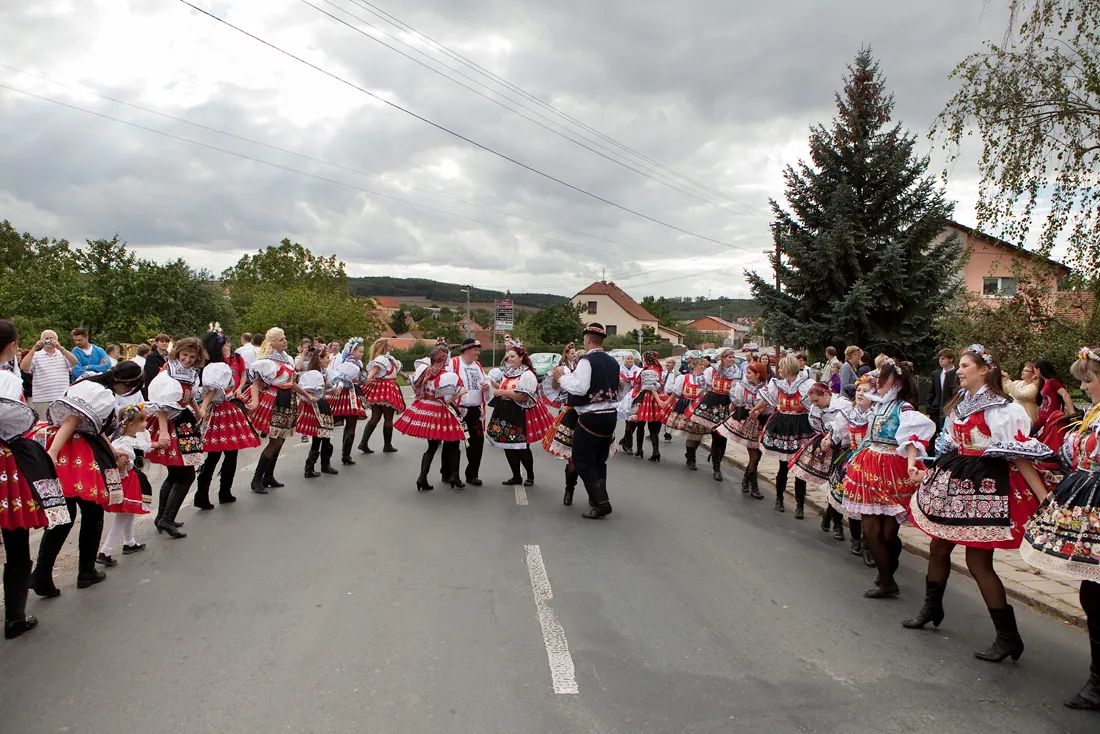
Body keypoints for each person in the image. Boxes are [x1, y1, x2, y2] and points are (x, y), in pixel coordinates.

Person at [905, 344, 1051, 663]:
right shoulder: (962, 403)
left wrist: (1043, 497)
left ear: (984, 370)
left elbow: (1018, 455)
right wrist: (928, 473)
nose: (958, 371)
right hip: (957, 477)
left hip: (985, 485)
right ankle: (931, 607)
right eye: (958, 365)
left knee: (978, 561)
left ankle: (1008, 637)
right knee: (938, 546)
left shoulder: (1001, 408)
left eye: (965, 366)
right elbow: (952, 446)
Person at [1021, 345, 1100, 710]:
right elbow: (1073, 455)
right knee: (1091, 593)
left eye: (1090, 379)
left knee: (1094, 594)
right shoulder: (1094, 414)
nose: (1082, 387)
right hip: (1085, 505)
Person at [29, 361, 144, 597]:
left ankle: (42, 574)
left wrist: (112, 450)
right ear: (127, 384)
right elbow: (73, 421)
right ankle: (85, 570)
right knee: (91, 512)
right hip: (76, 452)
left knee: (63, 514)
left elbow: (94, 428)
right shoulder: (102, 393)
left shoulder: (89, 381)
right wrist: (53, 453)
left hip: (67, 445)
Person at [840, 358, 934, 598]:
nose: (879, 383)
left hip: (893, 469)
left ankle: (887, 572)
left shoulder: (904, 408)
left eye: (884, 378)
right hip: (869, 467)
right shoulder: (877, 406)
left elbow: (912, 440)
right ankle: (887, 580)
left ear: (898, 383)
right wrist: (853, 457)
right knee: (871, 531)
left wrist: (911, 464)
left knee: (889, 534)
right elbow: (867, 436)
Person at [0, 321, 70, 639]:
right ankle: (15, 617)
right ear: (12, 345)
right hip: (6, 459)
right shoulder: (6, 379)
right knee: (15, 535)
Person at [552, 323, 622, 519]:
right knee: (599, 460)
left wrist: (561, 378)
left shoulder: (587, 360)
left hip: (592, 416)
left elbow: (580, 388)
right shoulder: (613, 361)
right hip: (610, 416)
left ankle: (601, 503)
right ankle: (599, 499)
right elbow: (618, 388)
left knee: (581, 459)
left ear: (588, 339)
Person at [145, 337, 207, 539]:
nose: (188, 360)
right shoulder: (168, 374)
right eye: (185, 355)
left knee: (176, 474)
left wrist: (197, 410)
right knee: (185, 475)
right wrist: (163, 431)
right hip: (173, 424)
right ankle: (167, 519)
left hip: (184, 422)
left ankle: (162, 517)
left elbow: (188, 396)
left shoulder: (189, 373)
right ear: (177, 353)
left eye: (192, 357)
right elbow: (162, 406)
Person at [195, 329, 260, 507]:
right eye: (225, 345)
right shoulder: (220, 367)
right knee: (229, 453)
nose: (228, 347)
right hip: (224, 410)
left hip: (216, 411)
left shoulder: (209, 366)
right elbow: (214, 389)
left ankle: (203, 494)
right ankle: (223, 491)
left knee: (214, 454)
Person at [247, 327, 315, 494]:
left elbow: (291, 383)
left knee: (281, 439)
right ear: (272, 344)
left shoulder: (286, 359)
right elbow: (255, 383)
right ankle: (256, 479)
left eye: (284, 338)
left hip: (288, 399)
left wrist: (307, 395)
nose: (285, 341)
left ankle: (268, 476)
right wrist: (255, 401)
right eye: (281, 339)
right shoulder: (267, 362)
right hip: (276, 400)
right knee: (275, 440)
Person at [394, 343, 467, 491]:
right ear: (444, 359)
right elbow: (449, 398)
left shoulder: (425, 371)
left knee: (431, 447)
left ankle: (422, 478)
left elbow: (416, 387)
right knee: (454, 443)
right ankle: (455, 476)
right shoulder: (446, 375)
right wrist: (459, 394)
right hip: (441, 410)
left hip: (426, 408)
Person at [750, 355, 815, 518]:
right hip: (784, 425)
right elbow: (768, 400)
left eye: (781, 367)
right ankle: (779, 498)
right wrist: (755, 409)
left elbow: (816, 403)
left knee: (800, 468)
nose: (779, 370)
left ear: (788, 369)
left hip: (801, 426)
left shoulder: (807, 384)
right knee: (783, 465)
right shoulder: (779, 384)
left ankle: (800, 505)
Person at [487, 345, 553, 486]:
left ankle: (530, 476)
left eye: (512, 356)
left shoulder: (527, 374)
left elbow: (523, 396)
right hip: (505, 411)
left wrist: (503, 392)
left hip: (519, 412)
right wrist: (496, 386)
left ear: (521, 358)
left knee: (522, 447)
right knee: (507, 446)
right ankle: (516, 476)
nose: (509, 359)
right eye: (508, 357)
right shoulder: (509, 372)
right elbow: (506, 388)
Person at [97, 404, 151, 566]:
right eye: (143, 421)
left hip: (133, 479)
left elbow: (146, 446)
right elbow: (121, 463)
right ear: (132, 424)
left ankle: (129, 542)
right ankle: (105, 551)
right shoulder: (123, 443)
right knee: (123, 516)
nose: (146, 423)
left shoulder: (131, 439)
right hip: (127, 480)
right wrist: (125, 465)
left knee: (129, 512)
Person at [790, 382, 851, 525]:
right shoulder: (815, 407)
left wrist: (831, 438)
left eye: (816, 401)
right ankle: (799, 504)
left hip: (840, 446)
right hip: (822, 442)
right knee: (801, 472)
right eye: (812, 402)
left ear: (826, 395)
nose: (814, 404)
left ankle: (833, 520)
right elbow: (815, 426)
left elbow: (843, 427)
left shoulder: (843, 405)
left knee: (835, 483)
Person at [829, 374, 877, 558]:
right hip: (853, 459)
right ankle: (856, 539)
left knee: (869, 503)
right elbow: (839, 432)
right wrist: (828, 440)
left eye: (866, 391)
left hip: (872, 462)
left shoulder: (877, 415)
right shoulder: (850, 413)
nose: (860, 394)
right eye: (858, 390)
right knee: (852, 499)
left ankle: (868, 543)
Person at [688, 347, 742, 480]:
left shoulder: (737, 373)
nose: (732, 360)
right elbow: (704, 384)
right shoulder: (712, 370)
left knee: (721, 437)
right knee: (699, 431)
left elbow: (738, 389)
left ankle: (717, 466)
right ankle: (692, 456)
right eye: (730, 357)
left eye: (733, 357)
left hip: (726, 404)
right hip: (711, 402)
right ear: (722, 358)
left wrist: (735, 403)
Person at [717, 360, 769, 498]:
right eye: (747, 372)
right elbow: (737, 401)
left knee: (757, 455)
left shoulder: (766, 388)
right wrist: (736, 406)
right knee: (755, 456)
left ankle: (747, 480)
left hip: (760, 422)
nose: (747, 375)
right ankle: (753, 485)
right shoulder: (742, 386)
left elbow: (770, 405)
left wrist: (759, 410)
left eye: (749, 373)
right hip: (747, 422)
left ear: (757, 375)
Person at [448, 339, 489, 485]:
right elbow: (445, 383)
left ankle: (472, 474)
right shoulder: (454, 363)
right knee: (452, 442)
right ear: (466, 350)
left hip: (474, 410)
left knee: (477, 442)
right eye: (475, 350)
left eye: (478, 350)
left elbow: (486, 381)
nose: (478, 353)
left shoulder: (478, 366)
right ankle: (450, 474)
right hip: (457, 409)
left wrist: (486, 386)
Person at [359, 338, 406, 455]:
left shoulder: (389, 360)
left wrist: (406, 377)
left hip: (378, 389)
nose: (391, 348)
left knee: (375, 417)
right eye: (389, 346)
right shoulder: (382, 359)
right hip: (386, 389)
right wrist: (367, 379)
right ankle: (387, 445)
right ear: (384, 347)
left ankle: (364, 442)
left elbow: (397, 372)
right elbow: (375, 370)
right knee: (388, 418)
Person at [296, 350, 339, 479]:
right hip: (318, 406)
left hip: (322, 404)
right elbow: (309, 392)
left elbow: (328, 387)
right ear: (319, 359)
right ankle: (311, 467)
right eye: (327, 357)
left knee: (325, 435)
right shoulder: (314, 374)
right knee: (320, 436)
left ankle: (322, 465)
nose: (329, 360)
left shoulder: (322, 373)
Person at [19, 329, 77, 420]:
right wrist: (34, 348)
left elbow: (74, 362)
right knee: (44, 424)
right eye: (46, 339)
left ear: (56, 340)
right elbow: (23, 367)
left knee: (62, 424)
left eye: (51, 338)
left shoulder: (63, 354)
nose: (49, 341)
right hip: (42, 398)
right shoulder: (36, 355)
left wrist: (61, 348)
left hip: (62, 397)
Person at [665, 357, 710, 470]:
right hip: (687, 407)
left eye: (704, 365)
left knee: (698, 435)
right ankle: (691, 458)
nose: (703, 367)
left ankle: (691, 453)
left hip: (701, 407)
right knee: (691, 434)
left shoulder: (706, 379)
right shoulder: (684, 378)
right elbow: (676, 393)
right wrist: (666, 402)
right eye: (700, 365)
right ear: (693, 366)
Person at [627, 351, 671, 462]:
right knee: (653, 427)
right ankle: (656, 451)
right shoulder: (658, 369)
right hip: (658, 396)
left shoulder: (648, 371)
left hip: (646, 397)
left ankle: (639, 449)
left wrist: (657, 399)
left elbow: (650, 386)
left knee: (640, 424)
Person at [329, 338, 368, 463]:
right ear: (353, 351)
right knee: (351, 425)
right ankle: (345, 455)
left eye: (362, 352)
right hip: (349, 394)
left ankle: (345, 454)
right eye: (360, 352)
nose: (362, 354)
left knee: (350, 425)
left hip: (350, 392)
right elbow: (342, 377)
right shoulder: (350, 364)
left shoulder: (356, 363)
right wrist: (340, 387)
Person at [928, 348, 959, 454]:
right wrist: (930, 405)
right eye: (939, 359)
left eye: (943, 358)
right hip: (936, 408)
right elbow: (932, 391)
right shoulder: (936, 374)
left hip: (949, 408)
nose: (940, 361)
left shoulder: (957, 373)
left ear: (950, 359)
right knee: (933, 434)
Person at [617, 354, 643, 455]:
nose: (630, 360)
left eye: (632, 358)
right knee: (627, 422)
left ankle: (625, 441)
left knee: (633, 422)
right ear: (624, 360)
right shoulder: (619, 369)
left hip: (634, 397)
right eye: (628, 358)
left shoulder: (638, 370)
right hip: (622, 397)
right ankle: (628, 445)